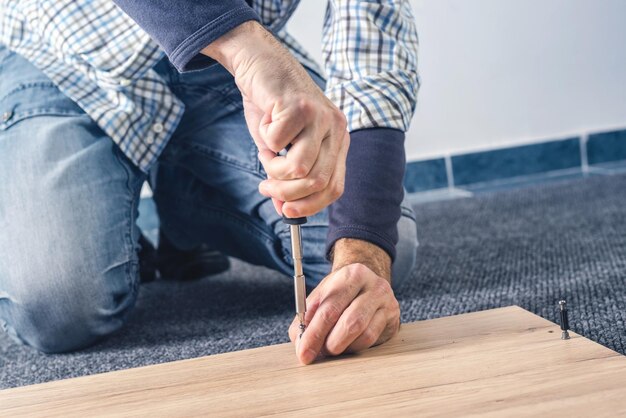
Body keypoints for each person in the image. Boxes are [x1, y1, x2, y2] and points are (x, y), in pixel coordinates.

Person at [0, 0, 419, 364]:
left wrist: (362, 252)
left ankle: (188, 198)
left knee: (375, 248)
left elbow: (373, 45)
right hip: (61, 61)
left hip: (223, 74)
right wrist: (244, 48)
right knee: (58, 308)